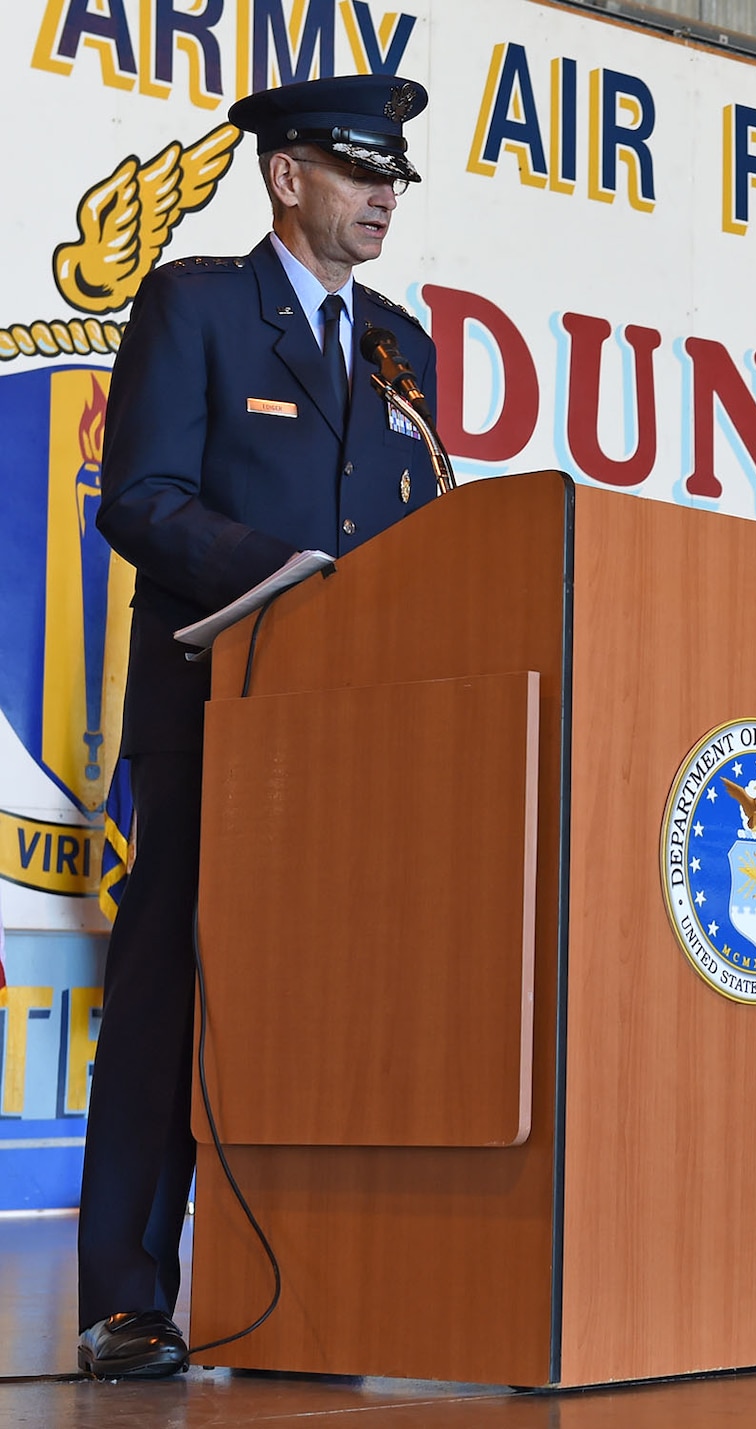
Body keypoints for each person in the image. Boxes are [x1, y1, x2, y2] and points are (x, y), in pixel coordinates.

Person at [77, 73, 439, 1380]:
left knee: (335, 1003)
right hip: (216, 706)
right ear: (287, 177)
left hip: (355, 734)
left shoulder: (404, 343)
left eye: (396, 176)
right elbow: (142, 499)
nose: (386, 194)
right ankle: (128, 1298)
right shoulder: (197, 307)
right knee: (170, 993)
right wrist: (286, 575)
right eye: (360, 172)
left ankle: (317, 1288)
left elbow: (420, 526)